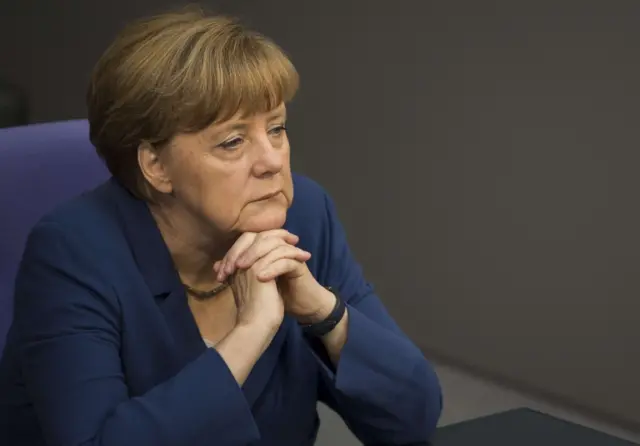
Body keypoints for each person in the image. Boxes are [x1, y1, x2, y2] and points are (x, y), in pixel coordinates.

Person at [0, 9, 442, 446]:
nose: (272, 160)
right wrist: (248, 335)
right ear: (155, 164)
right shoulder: (71, 253)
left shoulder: (304, 214)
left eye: (277, 129)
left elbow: (414, 417)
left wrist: (324, 313)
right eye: (233, 142)